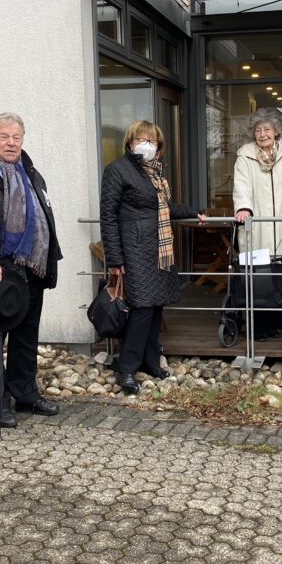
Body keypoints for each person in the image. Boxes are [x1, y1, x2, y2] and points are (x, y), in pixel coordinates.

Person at [0, 112, 62, 428]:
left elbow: (43, 216)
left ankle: (25, 395)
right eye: (4, 136)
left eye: (16, 137)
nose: (11, 142)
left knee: (26, 336)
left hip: (31, 268)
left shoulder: (31, 172)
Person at [100, 120, 204, 395]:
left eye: (152, 141)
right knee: (142, 309)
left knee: (156, 307)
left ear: (159, 147)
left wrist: (193, 212)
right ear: (130, 142)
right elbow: (108, 218)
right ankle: (127, 368)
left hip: (158, 250)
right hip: (134, 251)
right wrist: (114, 259)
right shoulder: (117, 170)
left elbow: (165, 208)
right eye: (141, 139)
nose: (146, 144)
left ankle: (149, 360)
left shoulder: (155, 173)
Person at [232, 108, 282, 340]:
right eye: (258, 130)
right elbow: (242, 184)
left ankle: (277, 321)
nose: (262, 134)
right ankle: (258, 326)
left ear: (276, 131)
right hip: (256, 224)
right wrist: (244, 206)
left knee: (281, 271)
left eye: (267, 129)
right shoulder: (245, 154)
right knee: (257, 275)